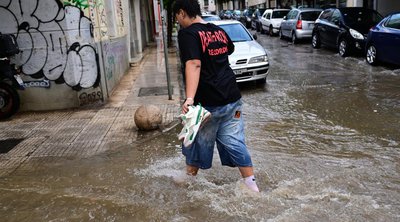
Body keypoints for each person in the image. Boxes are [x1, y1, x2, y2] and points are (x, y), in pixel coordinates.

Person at [173, 0, 259, 193]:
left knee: (195, 139)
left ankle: (188, 181)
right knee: (235, 142)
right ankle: (251, 185)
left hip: (209, 102)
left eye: (177, 17)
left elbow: (194, 64)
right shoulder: (217, 30)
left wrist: (189, 99)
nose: (178, 21)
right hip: (232, 97)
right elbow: (229, 49)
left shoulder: (188, 34)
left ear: (182, 13)